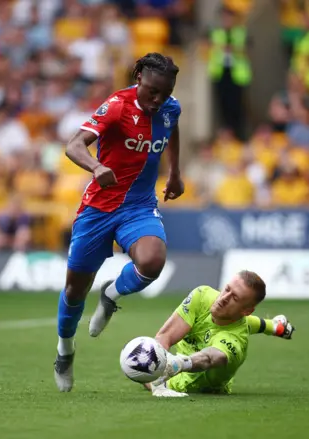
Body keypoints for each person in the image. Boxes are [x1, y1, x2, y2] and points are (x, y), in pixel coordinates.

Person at [54, 53, 185, 392]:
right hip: (99, 207)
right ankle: (64, 351)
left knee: (152, 261)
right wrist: (97, 168)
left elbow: (173, 130)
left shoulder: (170, 107)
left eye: (166, 92)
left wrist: (175, 172)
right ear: (138, 76)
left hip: (139, 207)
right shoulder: (116, 106)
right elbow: (74, 145)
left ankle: (111, 295)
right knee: (74, 289)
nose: (159, 100)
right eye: (153, 91)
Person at [146, 271, 295, 397]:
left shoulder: (235, 340)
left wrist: (177, 364)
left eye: (234, 298)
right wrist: (157, 370)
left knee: (236, 324)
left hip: (197, 385)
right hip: (233, 319)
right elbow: (165, 336)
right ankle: (275, 326)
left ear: (247, 311)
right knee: (230, 316)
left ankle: (274, 326)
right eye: (227, 289)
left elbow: (211, 358)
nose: (223, 299)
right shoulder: (203, 296)